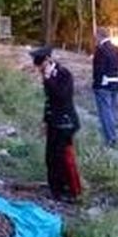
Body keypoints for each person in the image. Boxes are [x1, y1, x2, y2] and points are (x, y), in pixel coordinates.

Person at [30, 46, 83, 201]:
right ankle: (55, 189)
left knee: (62, 158)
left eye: (40, 65)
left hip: (65, 122)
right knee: (50, 158)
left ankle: (68, 191)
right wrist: (46, 120)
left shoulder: (63, 74)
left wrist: (48, 79)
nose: (39, 69)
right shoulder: (48, 76)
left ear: (47, 61)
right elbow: (49, 102)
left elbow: (61, 96)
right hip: (54, 122)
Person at [92, 27, 118, 146]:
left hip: (103, 84)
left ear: (99, 36)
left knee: (105, 113)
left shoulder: (100, 50)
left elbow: (98, 69)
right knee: (112, 111)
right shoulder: (116, 48)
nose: (95, 39)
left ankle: (110, 138)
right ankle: (114, 134)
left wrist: (96, 84)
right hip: (115, 82)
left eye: (96, 37)